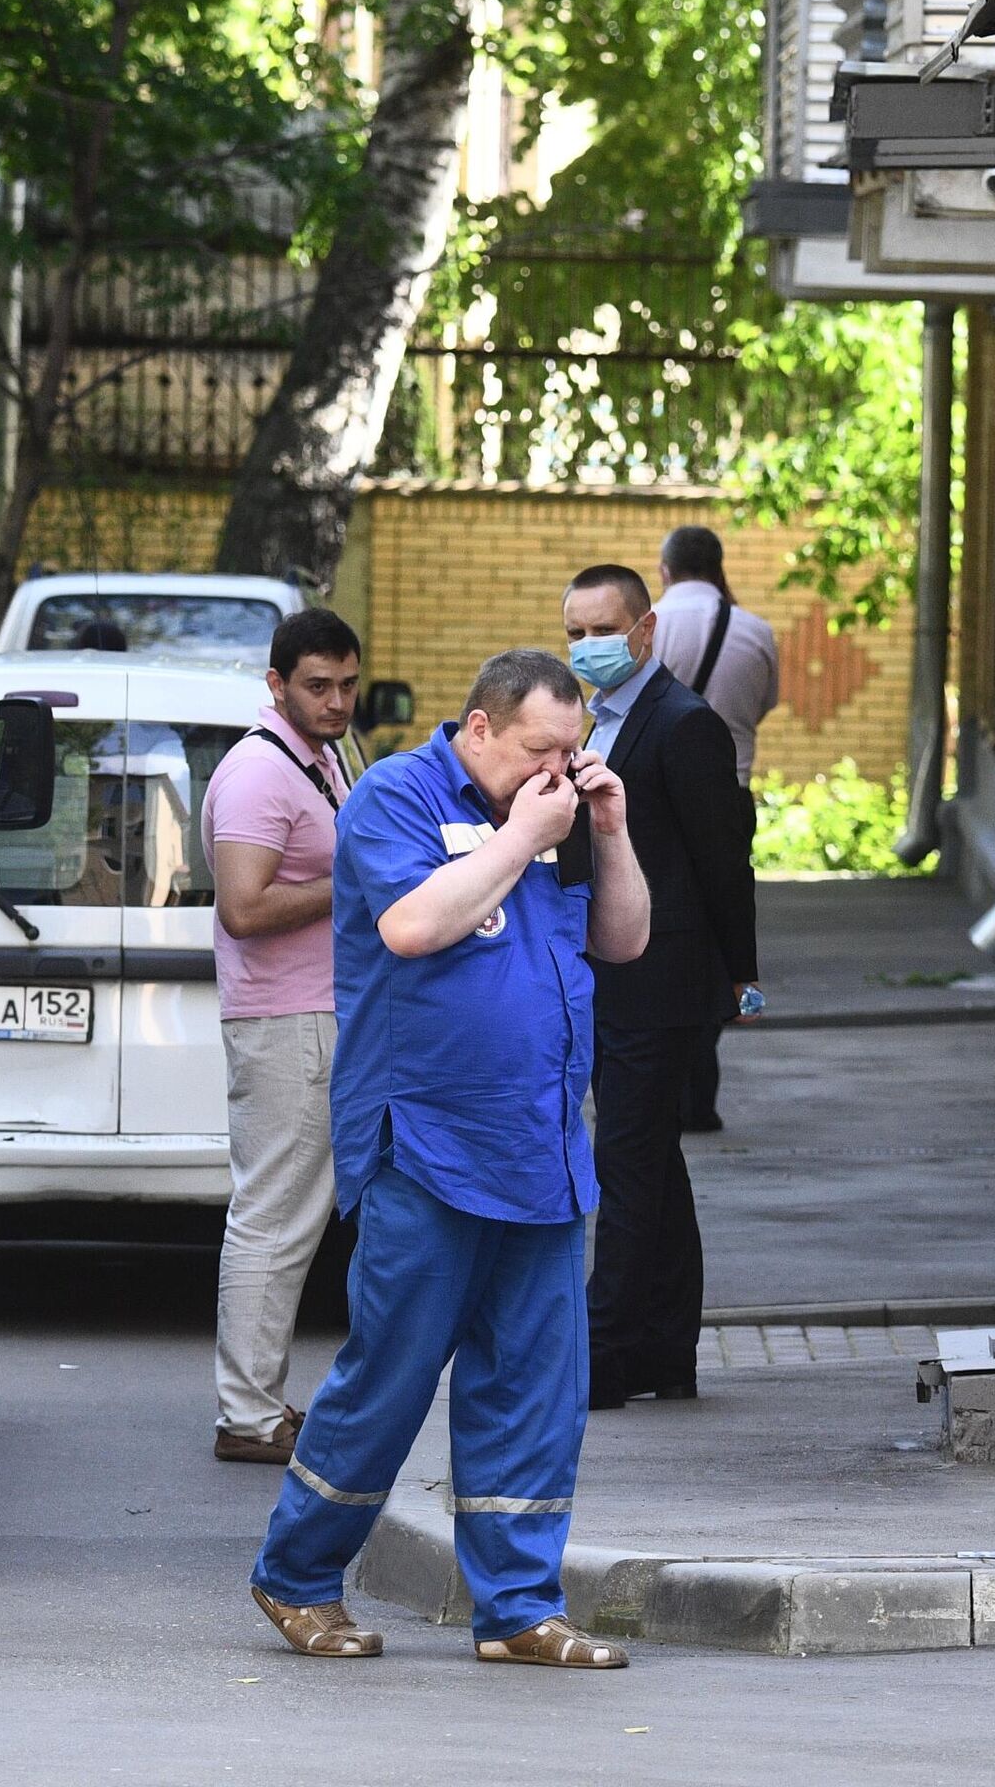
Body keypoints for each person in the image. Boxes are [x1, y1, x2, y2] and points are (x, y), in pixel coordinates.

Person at [248, 650, 648, 1668]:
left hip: (542, 1149)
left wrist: (611, 831)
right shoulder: (395, 798)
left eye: (576, 750)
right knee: (390, 1374)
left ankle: (518, 1609)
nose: (560, 769)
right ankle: (296, 1579)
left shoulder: (559, 816)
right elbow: (412, 925)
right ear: (478, 728)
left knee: (533, 1386)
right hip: (425, 1144)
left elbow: (626, 940)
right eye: (540, 750)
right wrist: (522, 836)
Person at [562, 563, 758, 1412]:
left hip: (662, 979)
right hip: (610, 973)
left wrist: (739, 976)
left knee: (626, 1165)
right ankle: (664, 1351)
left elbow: (725, 861)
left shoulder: (684, 724)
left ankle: (604, 1357)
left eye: (601, 630)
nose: (585, 647)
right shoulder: (593, 723)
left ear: (644, 631)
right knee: (653, 1168)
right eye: (572, 633)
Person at [203, 609, 362, 1464]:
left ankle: (260, 1404)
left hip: (314, 1013)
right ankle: (249, 1416)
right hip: (286, 1020)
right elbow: (245, 906)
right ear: (277, 685)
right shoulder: (261, 774)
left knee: (290, 1218)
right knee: (273, 1218)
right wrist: (357, 881)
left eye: (347, 684)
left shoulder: (318, 757)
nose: (336, 700)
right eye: (317, 686)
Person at [643, 528, 779, 1131]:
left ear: (665, 570)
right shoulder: (755, 631)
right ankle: (703, 1084)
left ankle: (666, 1081)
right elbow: (767, 703)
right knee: (718, 924)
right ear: (718, 568)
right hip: (730, 795)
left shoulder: (646, 630)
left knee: (656, 930)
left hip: (652, 801)